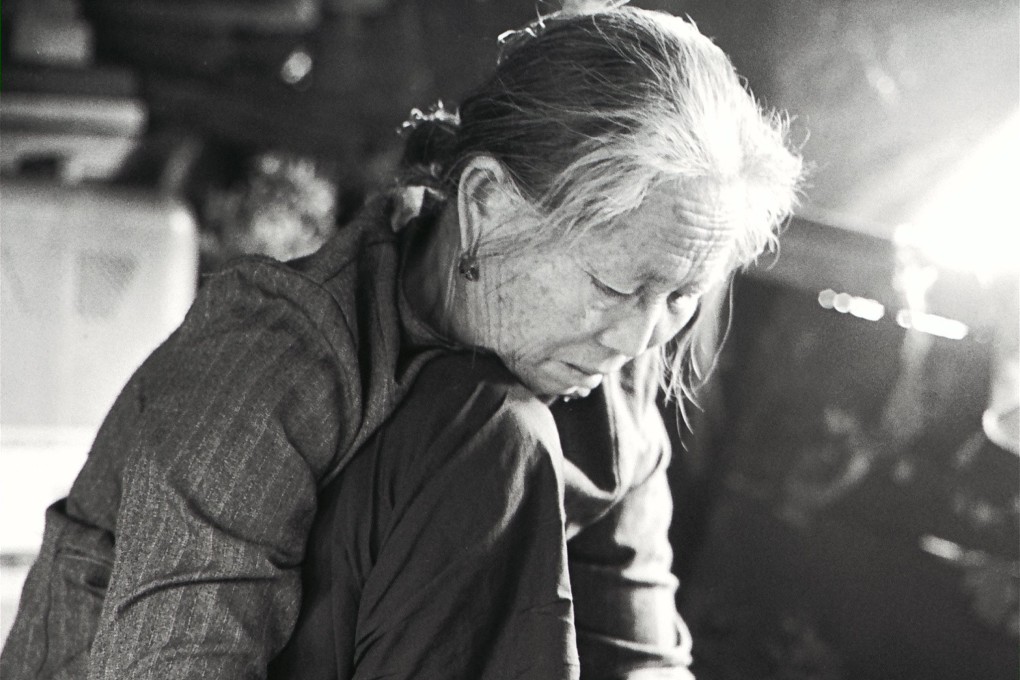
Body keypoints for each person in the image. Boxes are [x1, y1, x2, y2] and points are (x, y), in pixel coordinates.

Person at [0, 5, 803, 679]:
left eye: (680, 298)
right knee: (490, 432)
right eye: (615, 286)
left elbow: (641, 654)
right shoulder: (272, 358)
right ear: (489, 202)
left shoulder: (610, 383)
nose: (637, 336)